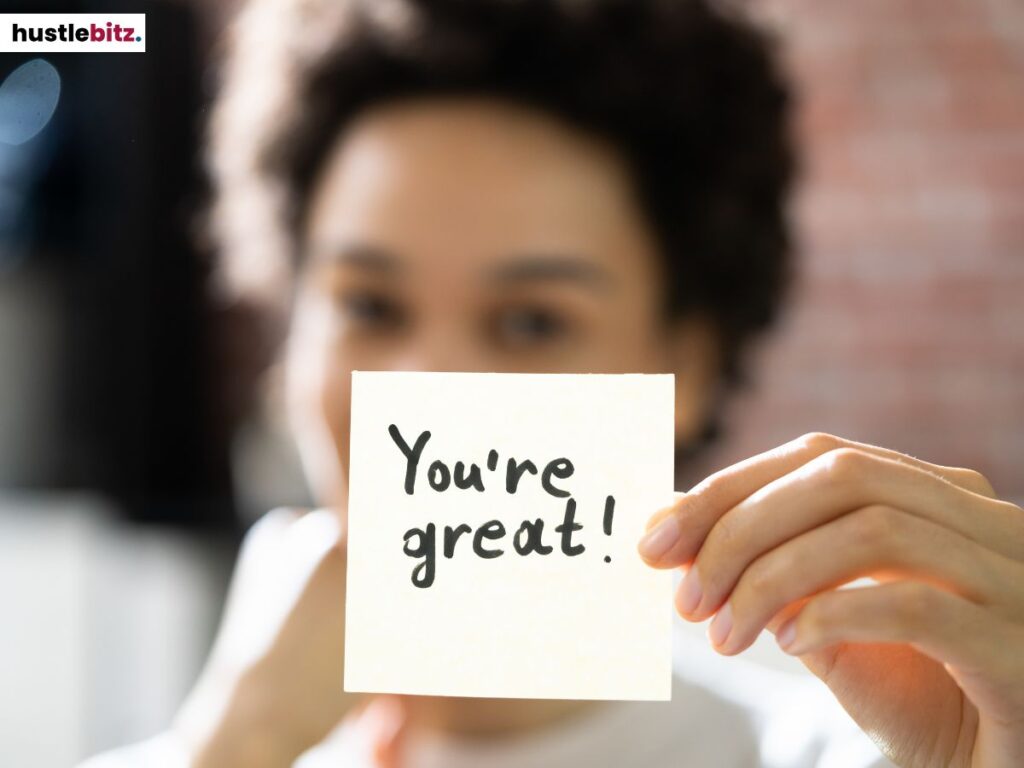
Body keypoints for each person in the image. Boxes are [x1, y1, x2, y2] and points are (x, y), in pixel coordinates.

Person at [83, 0, 1024, 766]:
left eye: (531, 320)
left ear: (690, 361)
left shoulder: (882, 755)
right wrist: (237, 748)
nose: (434, 384)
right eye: (369, 305)